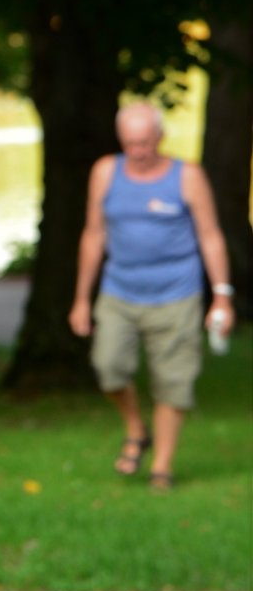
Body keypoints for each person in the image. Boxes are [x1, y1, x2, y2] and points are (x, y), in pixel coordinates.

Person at [68, 102, 234, 490]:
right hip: (119, 291)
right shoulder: (106, 172)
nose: (138, 151)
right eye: (130, 144)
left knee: (173, 380)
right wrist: (81, 298)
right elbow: (93, 235)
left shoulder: (187, 176)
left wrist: (222, 296)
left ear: (160, 137)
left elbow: (211, 237)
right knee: (108, 367)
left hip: (177, 293)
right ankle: (136, 428)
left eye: (144, 142)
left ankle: (162, 467)